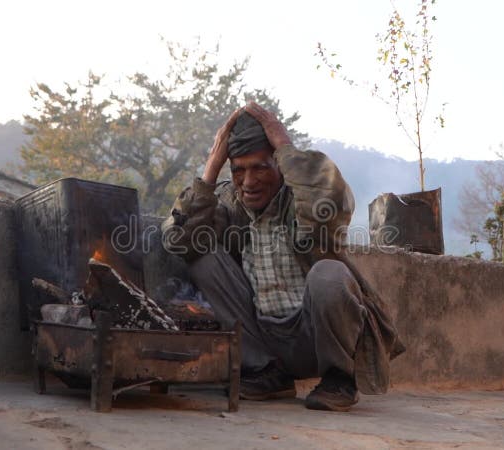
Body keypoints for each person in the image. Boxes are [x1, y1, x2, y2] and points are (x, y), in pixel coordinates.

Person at [161, 102, 403, 411]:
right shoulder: (228, 204)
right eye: (239, 170)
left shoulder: (301, 199)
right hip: (264, 340)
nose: (248, 182)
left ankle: (338, 379)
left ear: (279, 165)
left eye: (260, 167)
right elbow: (176, 239)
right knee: (201, 255)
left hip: (314, 338)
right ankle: (266, 374)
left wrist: (284, 146)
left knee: (329, 274)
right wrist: (211, 166)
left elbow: (329, 203)